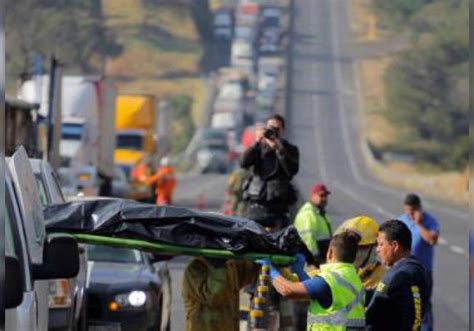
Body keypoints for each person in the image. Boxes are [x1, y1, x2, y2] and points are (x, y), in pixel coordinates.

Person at [259, 232, 366, 330]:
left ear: (330, 252)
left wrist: (270, 270)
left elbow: (287, 290)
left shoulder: (329, 280)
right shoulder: (353, 278)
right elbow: (319, 293)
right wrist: (300, 271)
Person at [366, 220, 428, 331]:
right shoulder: (400, 271)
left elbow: (414, 318)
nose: (377, 249)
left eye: (381, 244)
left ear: (394, 245)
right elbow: (382, 295)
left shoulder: (405, 275)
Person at [241, 114, 299, 230]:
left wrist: (279, 150)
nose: (273, 131)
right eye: (270, 128)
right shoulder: (258, 148)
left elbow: (291, 171)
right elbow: (244, 163)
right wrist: (257, 141)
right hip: (257, 204)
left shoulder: (290, 149)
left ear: (283, 130)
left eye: (276, 129)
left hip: (278, 207)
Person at [182, 257, 259, 331]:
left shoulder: (230, 265)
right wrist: (219, 267)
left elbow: (249, 270)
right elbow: (213, 296)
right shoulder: (195, 268)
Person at [398, 194, 439, 331]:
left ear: (419, 208)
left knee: (423, 306)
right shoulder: (401, 220)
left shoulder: (430, 221)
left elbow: (432, 240)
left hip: (423, 271)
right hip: (404, 270)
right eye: (407, 210)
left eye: (412, 210)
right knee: (404, 304)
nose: (409, 214)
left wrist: (418, 223)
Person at [334, 216, 385, 293]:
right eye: (345, 246)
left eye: (358, 248)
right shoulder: (327, 274)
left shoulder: (382, 280)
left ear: (374, 247)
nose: (348, 251)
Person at [294, 183, 332, 264]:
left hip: (320, 258)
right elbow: (308, 239)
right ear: (313, 196)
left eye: (326, 196)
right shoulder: (307, 214)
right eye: (321, 195)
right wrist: (314, 259)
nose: (324, 198)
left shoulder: (319, 212)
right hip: (311, 260)